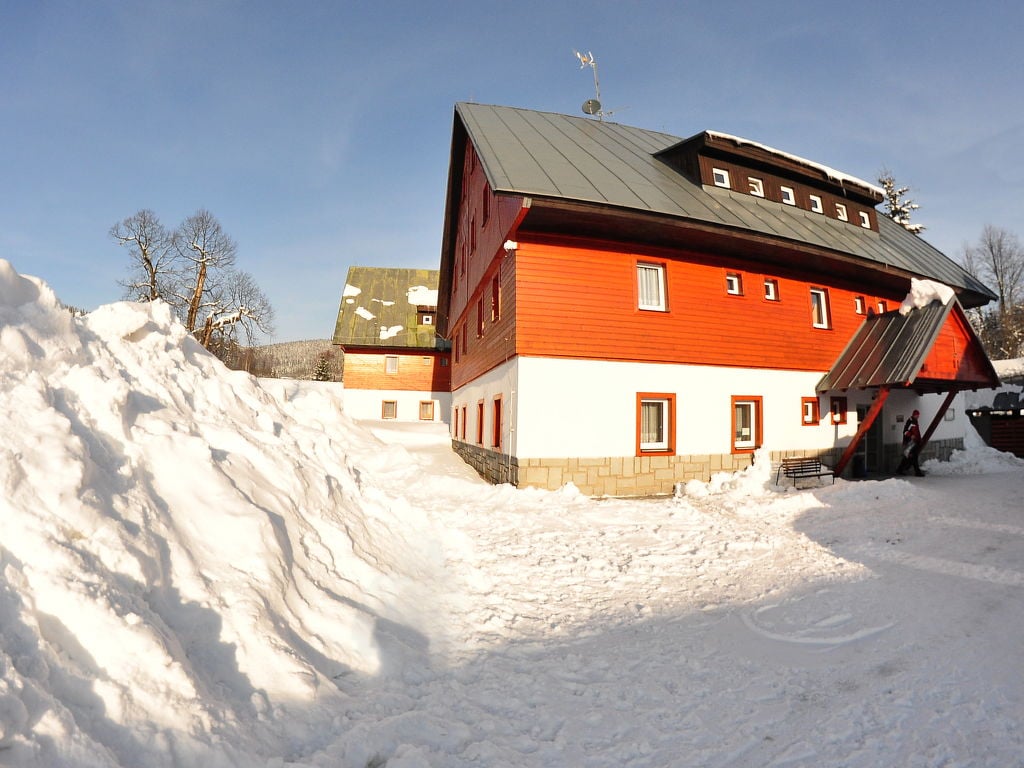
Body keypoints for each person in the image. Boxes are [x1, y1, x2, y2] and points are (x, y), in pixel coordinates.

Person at [896, 409, 925, 476]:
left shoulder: (914, 422)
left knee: (909, 457)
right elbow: (905, 431)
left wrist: (919, 440)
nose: (918, 416)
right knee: (913, 457)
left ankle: (900, 469)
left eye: (918, 415)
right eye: (917, 415)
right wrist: (911, 435)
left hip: (913, 442)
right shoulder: (911, 421)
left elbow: (917, 433)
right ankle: (917, 472)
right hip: (911, 443)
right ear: (914, 415)